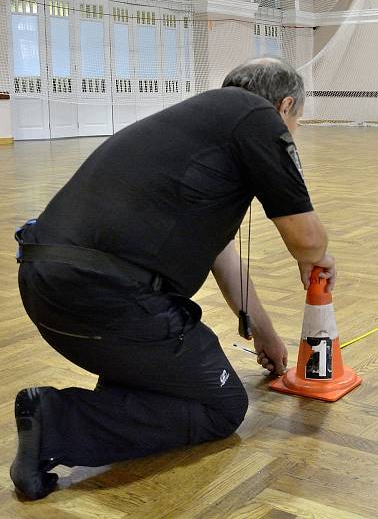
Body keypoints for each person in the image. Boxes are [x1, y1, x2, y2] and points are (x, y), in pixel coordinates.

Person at [10, 57, 335, 500]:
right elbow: (308, 240)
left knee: (175, 375)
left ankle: (111, 399)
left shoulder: (199, 128)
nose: (293, 130)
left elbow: (222, 256)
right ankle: (57, 421)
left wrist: (265, 334)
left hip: (48, 289)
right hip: (112, 300)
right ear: (285, 106)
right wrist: (317, 255)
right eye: (297, 120)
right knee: (223, 407)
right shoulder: (258, 118)